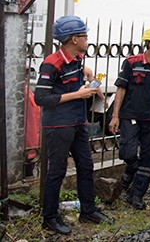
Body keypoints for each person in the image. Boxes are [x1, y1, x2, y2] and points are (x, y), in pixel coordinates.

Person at [33, 15, 113, 235]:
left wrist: (87, 80)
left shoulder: (77, 60)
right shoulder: (51, 63)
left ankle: (88, 210)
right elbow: (41, 99)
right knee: (56, 171)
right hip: (59, 126)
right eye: (83, 35)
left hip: (78, 122)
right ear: (72, 39)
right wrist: (77, 94)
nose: (87, 39)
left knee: (86, 166)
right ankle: (50, 217)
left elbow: (78, 83)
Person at [108, 27, 150, 210]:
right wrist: (115, 116)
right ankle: (129, 173)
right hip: (130, 116)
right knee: (128, 153)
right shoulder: (131, 63)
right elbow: (121, 89)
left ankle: (136, 195)